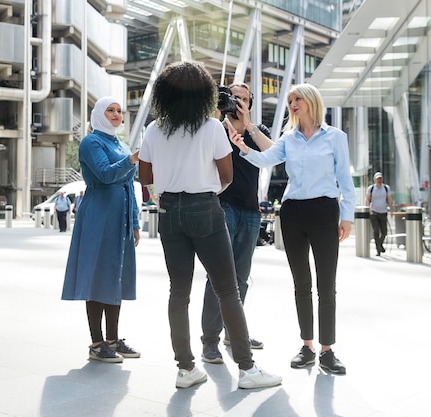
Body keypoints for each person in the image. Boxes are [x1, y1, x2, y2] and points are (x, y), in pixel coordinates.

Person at [138, 61, 281, 390]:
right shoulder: (212, 127)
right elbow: (226, 176)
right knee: (227, 289)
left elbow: (145, 178)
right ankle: (247, 370)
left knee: (179, 292)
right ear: (205, 92)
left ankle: (186, 368)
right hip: (205, 207)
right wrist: (204, 190)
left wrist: (170, 182)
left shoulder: (154, 128)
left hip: (169, 212)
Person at [230, 83, 355, 375]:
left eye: (297, 98)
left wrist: (346, 216)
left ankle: (327, 350)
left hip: (325, 211)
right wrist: (242, 146)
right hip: (293, 213)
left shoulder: (336, 137)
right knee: (301, 284)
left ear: (311, 101)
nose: (293, 104)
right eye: (290, 100)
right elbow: (266, 159)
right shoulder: (289, 139)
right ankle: (307, 346)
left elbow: (345, 182)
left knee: (327, 285)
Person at [62, 96, 141, 364]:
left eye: (119, 111)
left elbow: (129, 185)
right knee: (98, 276)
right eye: (110, 110)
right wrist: (131, 159)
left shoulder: (120, 143)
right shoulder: (91, 142)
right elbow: (106, 174)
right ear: (99, 114)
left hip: (120, 217)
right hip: (99, 215)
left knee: (115, 275)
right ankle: (96, 343)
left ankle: (112, 339)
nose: (117, 115)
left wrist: (135, 222)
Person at [200, 82, 273, 364]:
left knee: (241, 277)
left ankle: (234, 332)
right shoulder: (215, 127)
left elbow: (270, 156)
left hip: (251, 212)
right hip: (222, 207)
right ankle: (210, 340)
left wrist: (249, 124)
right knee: (218, 276)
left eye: (244, 99)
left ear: (250, 103)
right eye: (234, 98)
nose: (239, 103)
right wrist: (218, 115)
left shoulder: (258, 132)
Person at [365, 172, 394, 256]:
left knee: (384, 232)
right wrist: (369, 209)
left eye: (380, 178)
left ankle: (380, 244)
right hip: (374, 212)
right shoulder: (371, 188)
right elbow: (367, 199)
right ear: (374, 179)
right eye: (377, 179)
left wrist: (391, 210)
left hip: (383, 211)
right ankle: (378, 249)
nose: (379, 180)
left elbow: (389, 199)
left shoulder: (386, 188)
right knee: (376, 230)